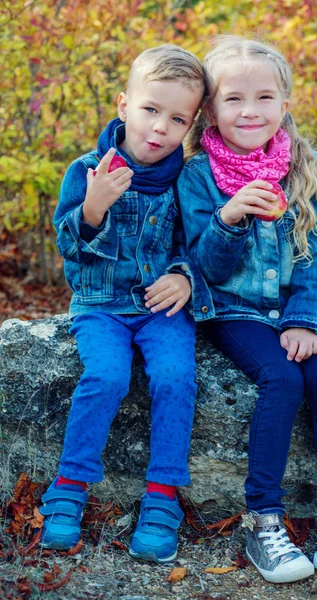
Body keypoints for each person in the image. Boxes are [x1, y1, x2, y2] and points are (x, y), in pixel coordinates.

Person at [178, 35, 317, 583]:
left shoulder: (306, 167)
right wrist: (230, 216)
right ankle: (263, 518)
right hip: (232, 310)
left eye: (264, 97)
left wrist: (306, 318)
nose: (250, 110)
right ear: (210, 110)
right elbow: (206, 269)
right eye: (233, 98)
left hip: (291, 304)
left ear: (285, 103)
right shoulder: (197, 176)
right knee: (282, 379)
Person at [39, 44, 211, 564]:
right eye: (150, 110)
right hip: (101, 306)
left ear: (192, 126)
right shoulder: (88, 170)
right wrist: (92, 209)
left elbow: (196, 245)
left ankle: (161, 498)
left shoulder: (188, 180)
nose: (160, 128)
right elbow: (68, 247)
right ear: (123, 105)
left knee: (175, 377)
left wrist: (183, 277)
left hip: (161, 309)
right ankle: (69, 486)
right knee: (107, 376)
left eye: (177, 118)